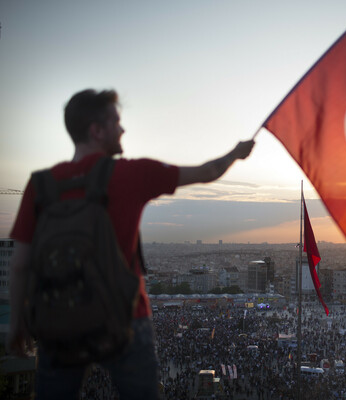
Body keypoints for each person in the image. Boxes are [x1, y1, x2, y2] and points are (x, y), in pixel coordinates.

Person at [6, 88, 255, 399]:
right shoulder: (131, 173)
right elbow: (208, 172)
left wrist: (18, 325)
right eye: (116, 121)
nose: (122, 129)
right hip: (126, 319)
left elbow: (19, 265)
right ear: (96, 130)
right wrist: (236, 152)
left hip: (60, 320)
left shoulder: (40, 184)